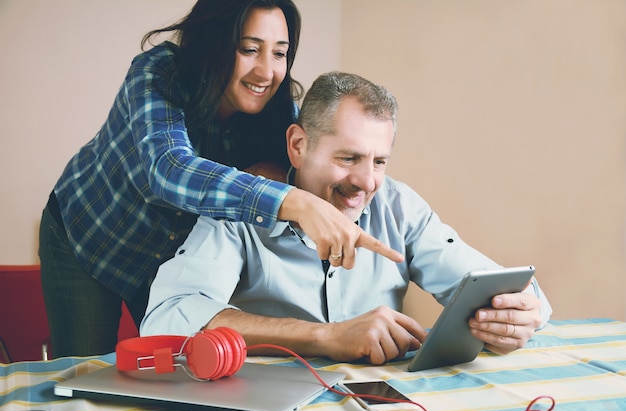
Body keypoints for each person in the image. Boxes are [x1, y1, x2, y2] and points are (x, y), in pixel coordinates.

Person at [38, 1, 402, 358]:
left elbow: (306, 167)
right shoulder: (158, 73)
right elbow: (170, 170)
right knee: (86, 372)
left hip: (166, 263)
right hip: (89, 236)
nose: (266, 72)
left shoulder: (281, 113)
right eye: (249, 49)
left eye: (279, 54)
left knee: (166, 371)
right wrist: (295, 202)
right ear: (212, 41)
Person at [141, 72, 552, 365]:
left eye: (379, 161)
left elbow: (500, 285)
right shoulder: (240, 211)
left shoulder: (399, 206)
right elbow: (166, 320)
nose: (365, 182)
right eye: (348, 158)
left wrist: (521, 312)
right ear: (299, 146)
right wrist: (326, 337)